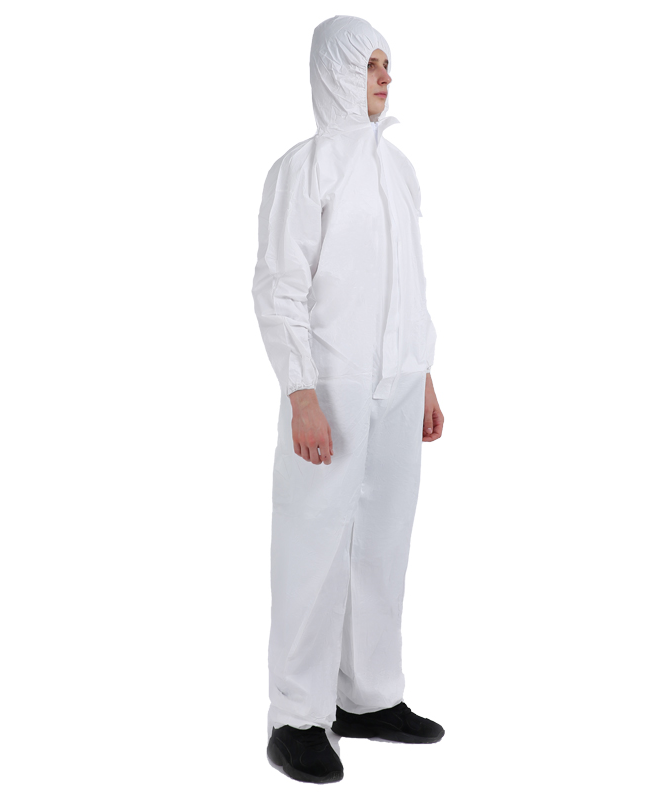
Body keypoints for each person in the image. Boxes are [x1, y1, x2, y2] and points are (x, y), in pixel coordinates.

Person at [252, 15, 445, 784]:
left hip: (396, 385)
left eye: (387, 63)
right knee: (314, 546)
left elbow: (410, 284)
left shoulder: (397, 170)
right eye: (369, 64)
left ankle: (367, 697)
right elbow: (280, 286)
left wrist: (423, 372)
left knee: (383, 544)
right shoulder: (303, 170)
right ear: (335, 70)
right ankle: (297, 715)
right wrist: (300, 392)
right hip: (330, 385)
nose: (385, 77)